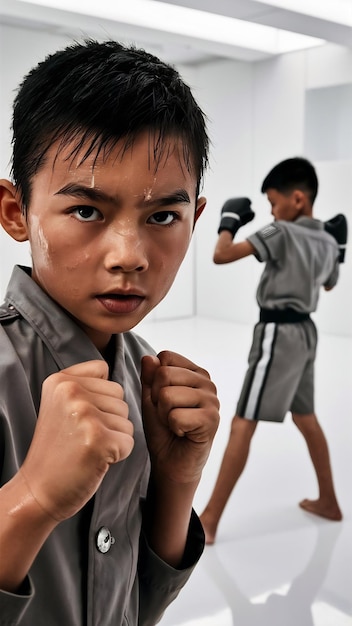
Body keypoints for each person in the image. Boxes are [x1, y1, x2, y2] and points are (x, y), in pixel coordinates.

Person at [0, 39, 220, 625]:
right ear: (16, 212)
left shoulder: (145, 375)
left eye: (163, 217)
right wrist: (32, 500)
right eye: (88, 211)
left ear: (195, 218)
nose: (129, 256)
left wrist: (178, 480)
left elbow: (133, 609)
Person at [200, 157, 344, 545]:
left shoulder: (281, 231)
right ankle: (329, 501)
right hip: (306, 335)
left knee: (243, 421)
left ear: (297, 199)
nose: (270, 211)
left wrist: (229, 222)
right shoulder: (329, 241)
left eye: (273, 203)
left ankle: (209, 520)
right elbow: (330, 284)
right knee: (306, 416)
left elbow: (222, 254)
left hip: (277, 334)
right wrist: (340, 247)